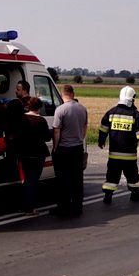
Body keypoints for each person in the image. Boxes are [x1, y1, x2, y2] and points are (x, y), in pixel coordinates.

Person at [98, 86, 139, 204]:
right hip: (129, 156)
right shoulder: (135, 114)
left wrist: (101, 141)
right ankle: (135, 194)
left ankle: (108, 196)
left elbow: (103, 129)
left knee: (111, 176)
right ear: (132, 99)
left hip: (114, 155)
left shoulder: (111, 113)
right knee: (132, 177)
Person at [52, 84, 88, 216]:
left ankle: (63, 208)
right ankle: (78, 207)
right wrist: (79, 139)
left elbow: (56, 131)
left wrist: (55, 147)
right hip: (77, 148)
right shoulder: (82, 109)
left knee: (63, 179)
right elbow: (84, 128)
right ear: (73, 94)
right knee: (77, 180)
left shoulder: (60, 110)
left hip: (64, 149)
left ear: (62, 95)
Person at [17, 97, 51, 214]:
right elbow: (47, 137)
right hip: (38, 154)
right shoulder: (41, 121)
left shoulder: (21, 118)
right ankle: (30, 207)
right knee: (34, 180)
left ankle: (23, 205)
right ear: (40, 107)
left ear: (28, 106)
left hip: (24, 153)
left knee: (26, 180)